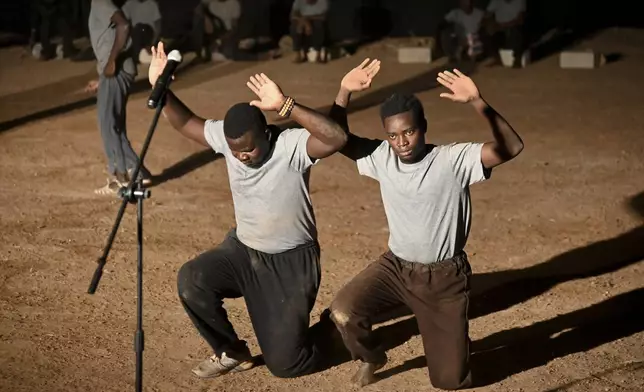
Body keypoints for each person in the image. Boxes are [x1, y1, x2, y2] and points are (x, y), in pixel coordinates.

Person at [146, 42, 348, 378]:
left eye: (250, 148)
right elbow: (186, 124)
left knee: (286, 364)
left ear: (266, 133)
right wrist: (161, 88)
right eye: (236, 150)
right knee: (192, 279)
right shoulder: (230, 143)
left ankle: (337, 330)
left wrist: (286, 105)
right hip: (243, 250)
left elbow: (337, 137)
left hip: (289, 263)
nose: (242, 156)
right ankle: (232, 352)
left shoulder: (290, 144)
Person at [327, 61, 524, 389]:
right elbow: (334, 139)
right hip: (395, 268)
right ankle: (372, 356)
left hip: (443, 279)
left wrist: (478, 101)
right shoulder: (380, 156)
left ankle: (452, 345)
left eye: (409, 131)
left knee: (449, 380)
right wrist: (344, 91)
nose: (401, 141)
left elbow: (512, 147)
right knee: (344, 311)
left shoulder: (453, 159)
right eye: (393, 135)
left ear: (423, 127)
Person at [85, 0, 153, 195]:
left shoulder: (101, 2)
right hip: (115, 73)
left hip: (116, 72)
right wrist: (102, 77)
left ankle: (122, 176)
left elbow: (124, 26)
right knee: (113, 124)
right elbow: (119, 34)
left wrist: (112, 62)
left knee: (108, 124)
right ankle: (136, 172)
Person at [485, 0, 527, 68]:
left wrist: (505, 25)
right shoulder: (496, 1)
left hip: (514, 26)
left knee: (517, 31)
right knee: (487, 32)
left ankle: (517, 59)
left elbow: (520, 19)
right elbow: (486, 15)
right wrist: (491, 24)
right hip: (499, 28)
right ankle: (496, 58)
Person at [121, 0, 162, 64]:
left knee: (141, 29)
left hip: (149, 34)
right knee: (138, 29)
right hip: (136, 35)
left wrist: (152, 43)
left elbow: (158, 25)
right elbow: (122, 19)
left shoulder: (151, 4)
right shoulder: (130, 3)